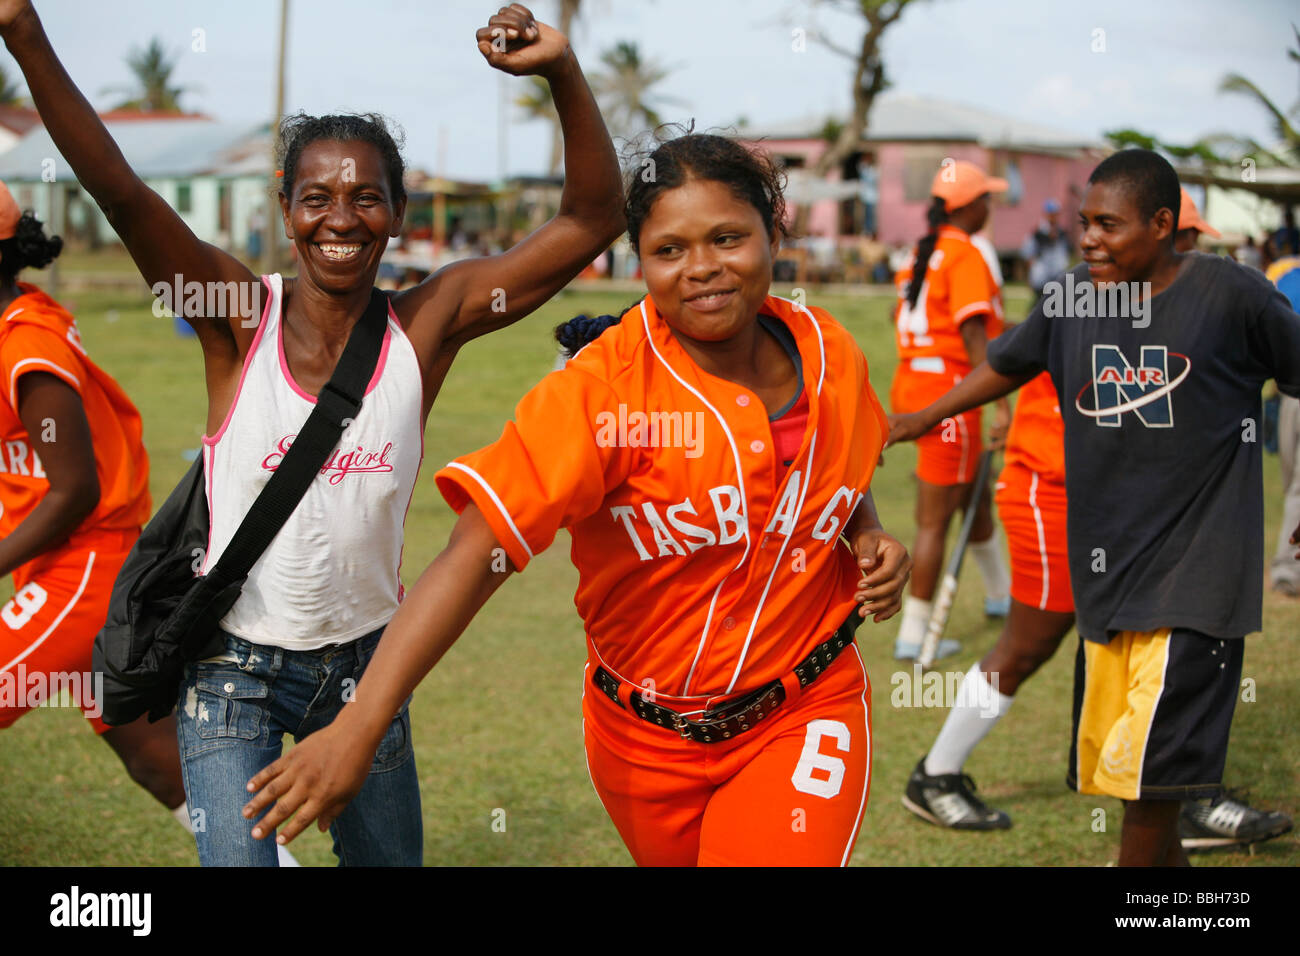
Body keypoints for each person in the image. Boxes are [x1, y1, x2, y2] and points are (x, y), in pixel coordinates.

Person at [1, 1, 623, 866]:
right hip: (229, 682)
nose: (342, 218)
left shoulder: (430, 322)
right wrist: (23, 31)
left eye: (367, 197)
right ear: (285, 209)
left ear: (398, 212)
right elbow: (120, 187)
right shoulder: (232, 317)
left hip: (365, 677)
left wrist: (559, 72)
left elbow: (591, 220)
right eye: (317, 197)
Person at [241, 132, 912, 867]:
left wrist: (863, 529)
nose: (704, 269)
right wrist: (359, 725)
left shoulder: (830, 350)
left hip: (805, 709)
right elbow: (477, 552)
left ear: (773, 228)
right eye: (670, 250)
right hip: (642, 741)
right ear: (637, 259)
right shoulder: (603, 393)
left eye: (728, 238)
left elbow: (836, 451)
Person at [888, 148, 1300, 866]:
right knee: (1145, 803)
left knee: (1144, 811)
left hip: (1196, 584)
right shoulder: (1076, 296)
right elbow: (1008, 361)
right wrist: (920, 418)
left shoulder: (1234, 297)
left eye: (1108, 225)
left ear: (1165, 225)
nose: (1088, 239)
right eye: (1085, 223)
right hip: (1110, 585)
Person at [0, 183, 222, 854]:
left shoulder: (25, 348)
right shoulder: (21, 317)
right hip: (70, 568)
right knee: (157, 758)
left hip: (84, 571)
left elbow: (74, 491)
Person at [890, 159, 1012, 661]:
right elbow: (973, 334)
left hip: (912, 385)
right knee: (934, 519)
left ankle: (1003, 597)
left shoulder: (920, 252)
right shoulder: (965, 255)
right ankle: (914, 635)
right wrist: (1000, 402)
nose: (992, 205)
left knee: (973, 497)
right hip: (950, 396)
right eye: (987, 197)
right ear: (967, 205)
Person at [1266, 253, 1300, 599]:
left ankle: (1287, 570)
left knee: (1295, 486)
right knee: (1294, 484)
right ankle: (1288, 569)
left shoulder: (1282, 273)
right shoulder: (1284, 274)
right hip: (1291, 393)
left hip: (1289, 395)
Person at [1020, 198, 1071, 303]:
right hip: (1042, 278)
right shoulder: (1037, 233)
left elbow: (1065, 254)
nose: (1054, 216)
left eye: (1056, 213)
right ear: (1046, 214)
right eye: (1051, 213)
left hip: (1058, 276)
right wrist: (1030, 277)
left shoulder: (1061, 233)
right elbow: (1027, 254)